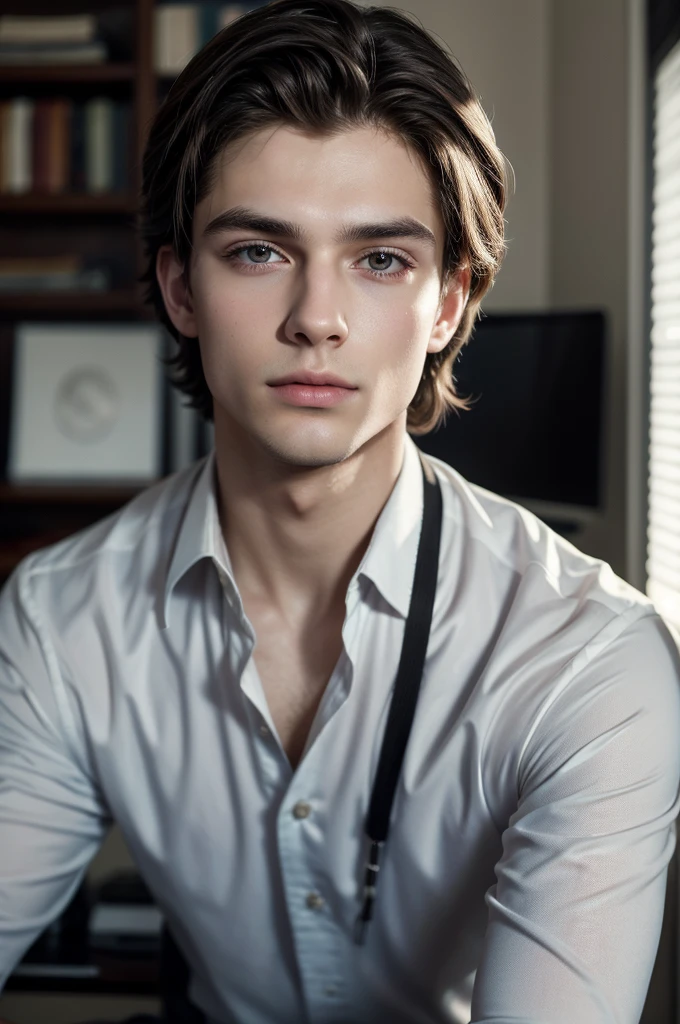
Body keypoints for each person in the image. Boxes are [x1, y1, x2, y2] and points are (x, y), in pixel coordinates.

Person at [1, 1, 679, 1022]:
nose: (315, 318)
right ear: (179, 286)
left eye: (379, 261)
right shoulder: (61, 619)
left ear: (447, 301)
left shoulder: (590, 660)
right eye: (258, 252)